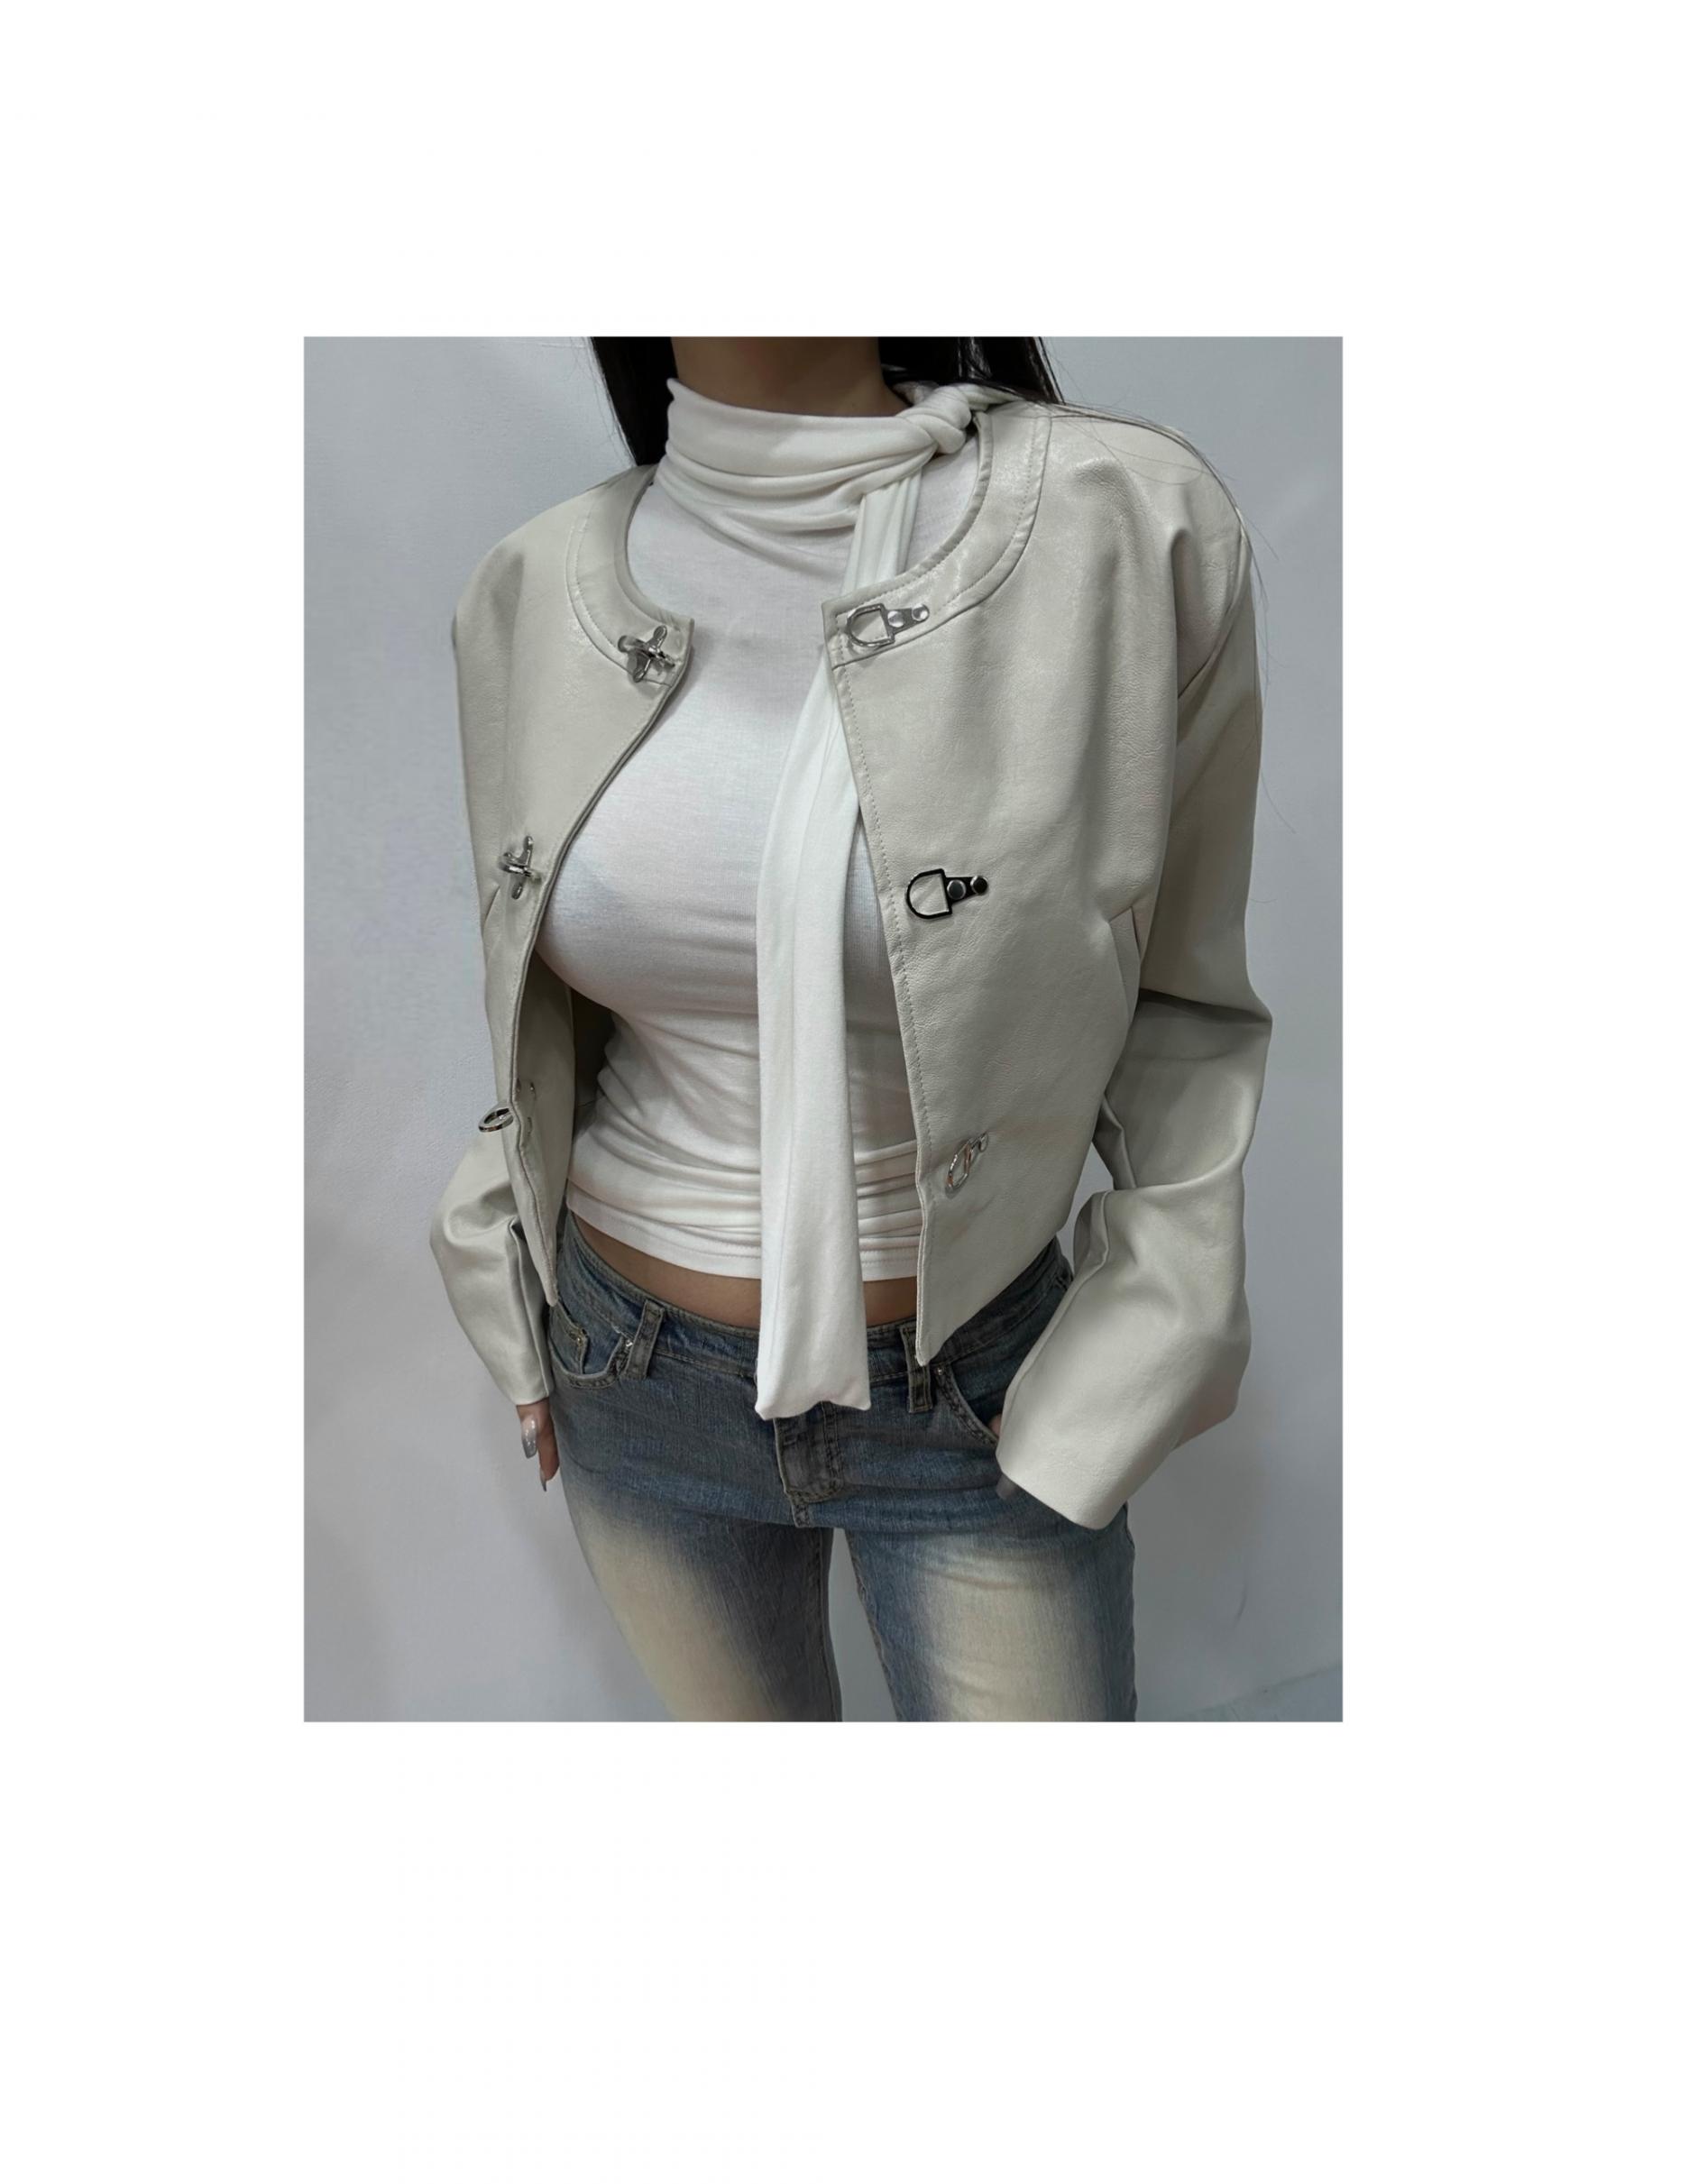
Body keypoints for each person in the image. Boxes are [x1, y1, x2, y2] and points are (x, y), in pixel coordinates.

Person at [429, 336, 1271, 1720]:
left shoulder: (1125, 527)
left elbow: (1186, 1004)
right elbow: (548, 1013)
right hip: (629, 1369)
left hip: (981, 1397)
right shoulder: (530, 590)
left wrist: (1144, 1340)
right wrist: (498, 1248)